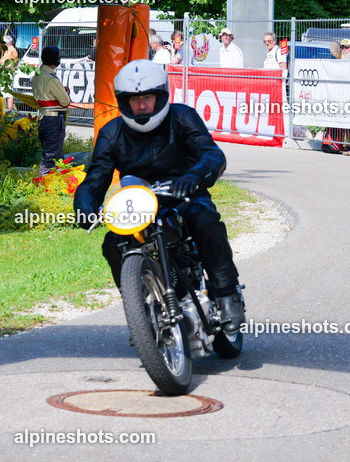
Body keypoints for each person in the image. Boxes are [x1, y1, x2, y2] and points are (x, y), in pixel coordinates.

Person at [72, 60, 246, 333]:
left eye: (148, 97)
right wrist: (85, 206)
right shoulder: (111, 133)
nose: (142, 105)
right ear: (124, 101)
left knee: (204, 219)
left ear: (161, 95)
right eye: (134, 99)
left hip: (184, 196)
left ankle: (227, 294)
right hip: (139, 205)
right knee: (112, 243)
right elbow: (96, 177)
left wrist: (194, 176)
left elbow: (212, 154)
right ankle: (141, 309)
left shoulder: (183, 117)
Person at [31, 45, 71, 175]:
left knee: (54, 157)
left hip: (43, 119)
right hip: (54, 121)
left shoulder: (37, 75)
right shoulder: (51, 79)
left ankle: (55, 183)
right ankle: (42, 183)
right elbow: (65, 101)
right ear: (56, 59)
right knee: (50, 161)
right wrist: (66, 91)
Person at [0, 34, 19, 110]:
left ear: (6, 43)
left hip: (8, 72)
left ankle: (9, 109)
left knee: (7, 92)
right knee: (5, 91)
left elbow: (6, 63)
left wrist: (0, 62)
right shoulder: (8, 50)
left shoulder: (11, 50)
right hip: (6, 72)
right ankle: (7, 109)